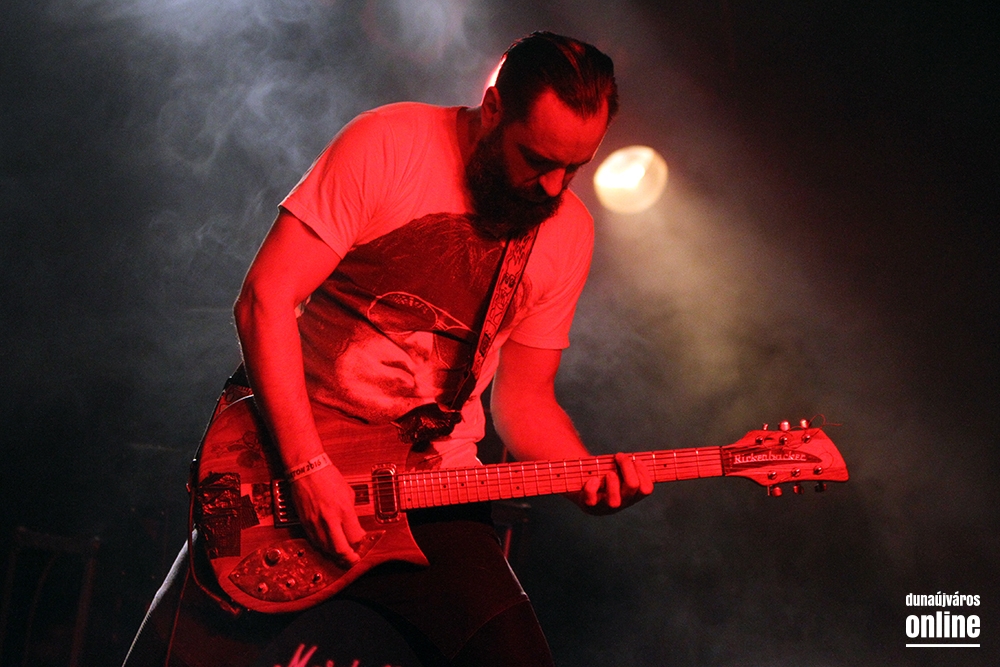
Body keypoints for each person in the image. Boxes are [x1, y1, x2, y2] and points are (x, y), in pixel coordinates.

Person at [123, 31, 653, 667]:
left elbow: (525, 402)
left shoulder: (566, 234)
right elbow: (264, 300)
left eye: (575, 168)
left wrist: (583, 473)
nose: (553, 186)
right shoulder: (389, 144)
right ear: (492, 109)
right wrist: (307, 471)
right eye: (537, 159)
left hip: (433, 490)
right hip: (284, 473)